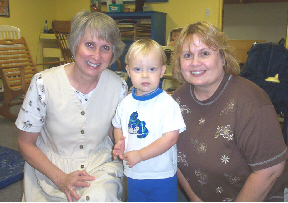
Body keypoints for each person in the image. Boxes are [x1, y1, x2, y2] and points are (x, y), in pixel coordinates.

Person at [15, 10, 127, 202]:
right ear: (75, 44)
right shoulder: (43, 84)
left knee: (98, 198)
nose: (96, 56)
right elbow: (25, 142)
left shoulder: (119, 87)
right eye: (90, 45)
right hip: (49, 171)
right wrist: (60, 178)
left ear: (113, 53)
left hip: (98, 168)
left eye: (105, 48)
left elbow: (114, 133)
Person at [172, 21, 288, 202]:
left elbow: (271, 170)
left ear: (223, 58)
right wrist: (194, 198)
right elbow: (170, 154)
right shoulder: (175, 101)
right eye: (187, 55)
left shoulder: (250, 101)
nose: (195, 62)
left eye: (204, 53)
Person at [112, 39, 186, 202]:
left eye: (152, 69)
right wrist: (120, 142)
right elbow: (118, 127)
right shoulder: (125, 104)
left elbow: (171, 138)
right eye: (138, 69)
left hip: (161, 174)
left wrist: (140, 155)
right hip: (133, 173)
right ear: (128, 71)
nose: (144, 75)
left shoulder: (167, 103)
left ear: (162, 71)